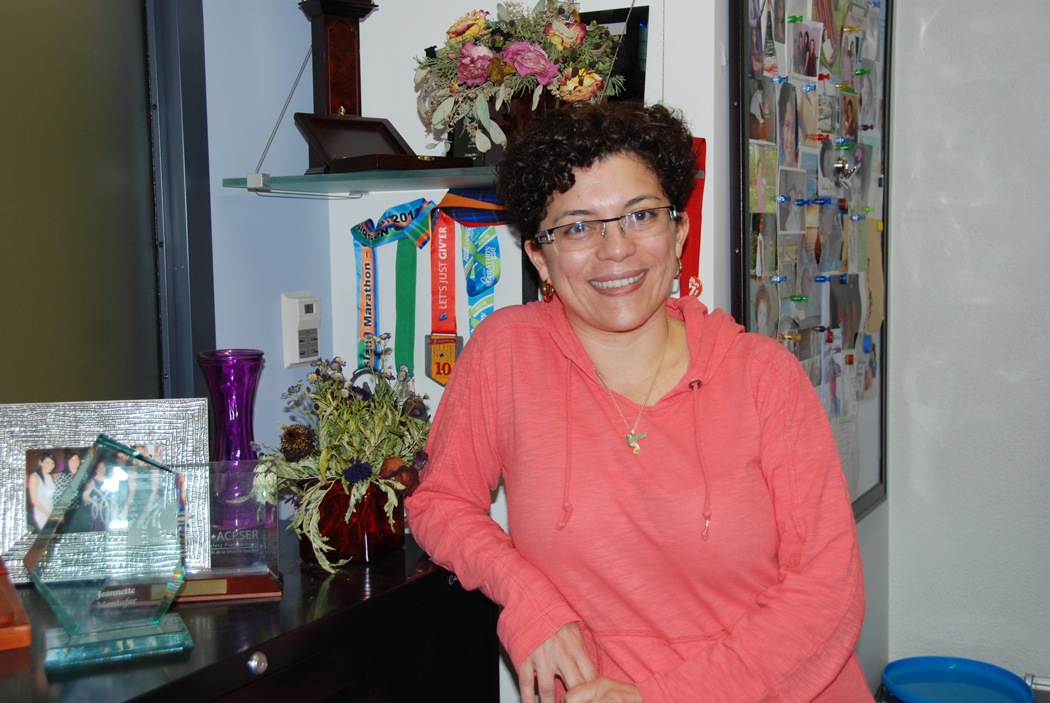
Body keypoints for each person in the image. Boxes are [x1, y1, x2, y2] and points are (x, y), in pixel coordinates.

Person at [406, 102, 871, 703]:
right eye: (577, 227)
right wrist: (527, 597)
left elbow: (828, 594)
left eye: (640, 215)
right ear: (540, 257)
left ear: (678, 232)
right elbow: (441, 501)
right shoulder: (507, 354)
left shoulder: (764, 378)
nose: (615, 249)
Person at [27, 452, 57, 531]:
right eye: (47, 462)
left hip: (50, 510)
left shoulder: (49, 476)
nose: (50, 465)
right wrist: (47, 514)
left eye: (52, 463)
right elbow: (34, 500)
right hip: (41, 513)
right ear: (41, 463)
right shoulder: (34, 477)